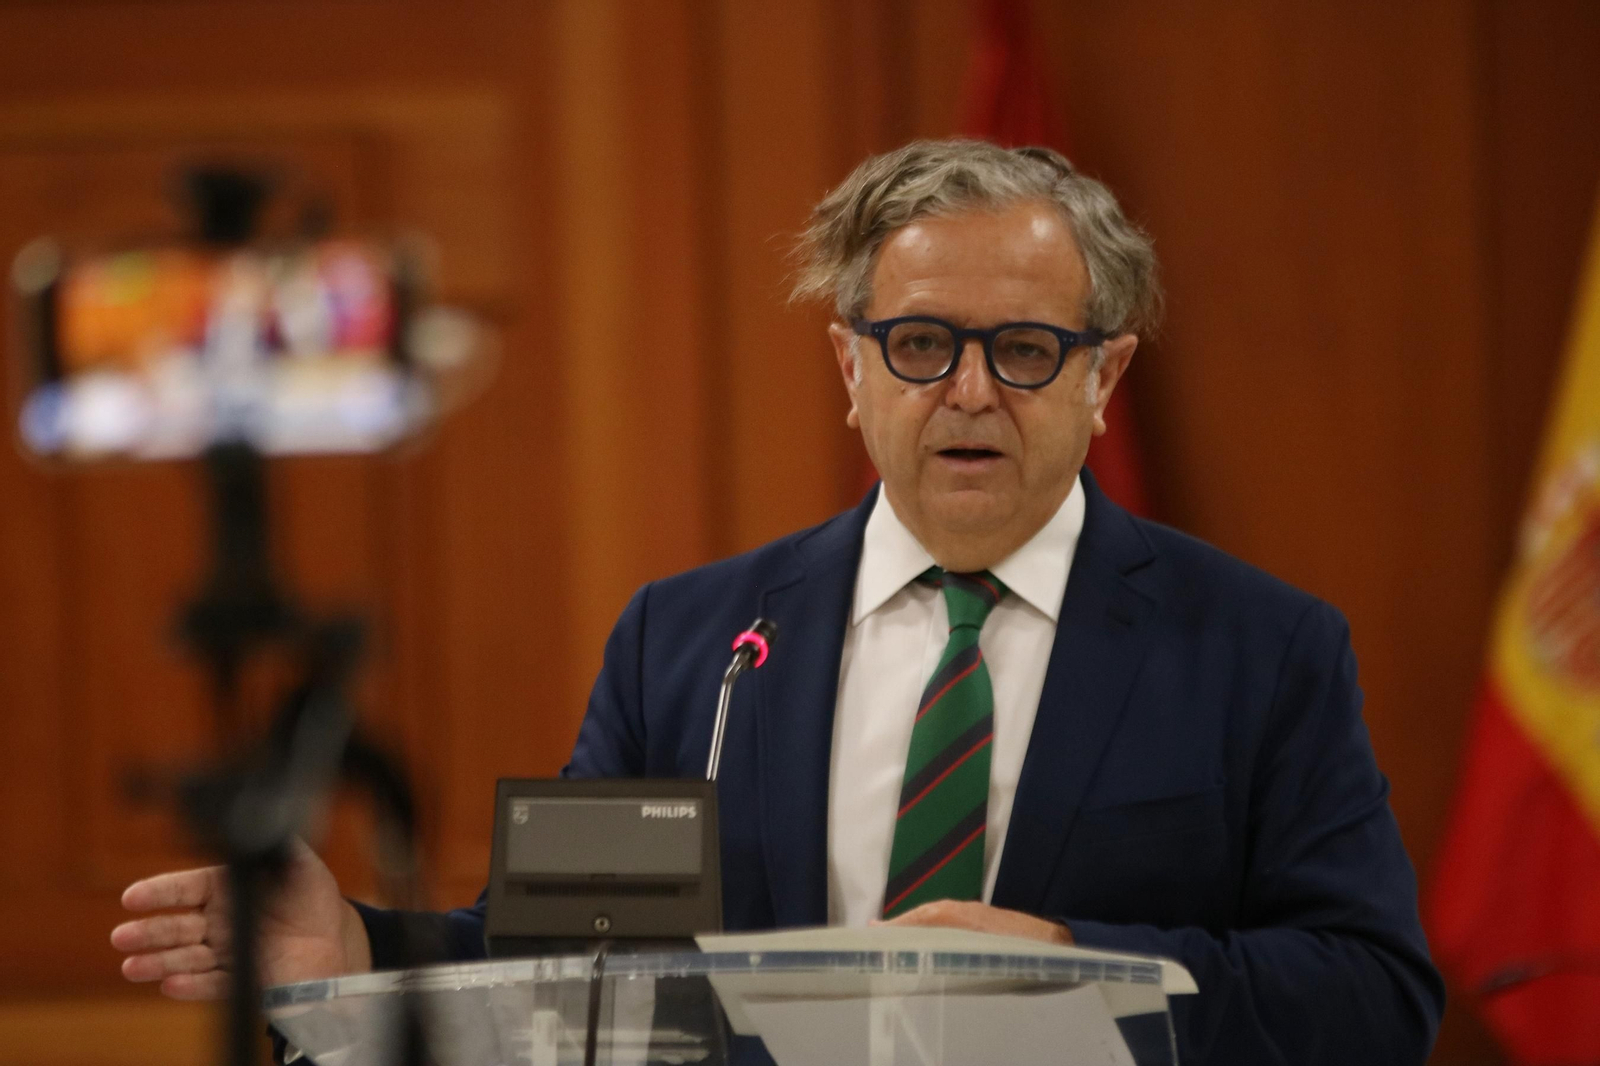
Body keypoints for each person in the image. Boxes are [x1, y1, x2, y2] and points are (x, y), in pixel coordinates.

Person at [112, 139, 1445, 1064]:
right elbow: (572, 964)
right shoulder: (692, 642)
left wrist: (1074, 964)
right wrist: (352, 943)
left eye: (1027, 350)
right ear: (848, 369)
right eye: (920, 343)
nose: (969, 391)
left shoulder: (1261, 649)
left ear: (1107, 378)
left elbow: (1375, 997)